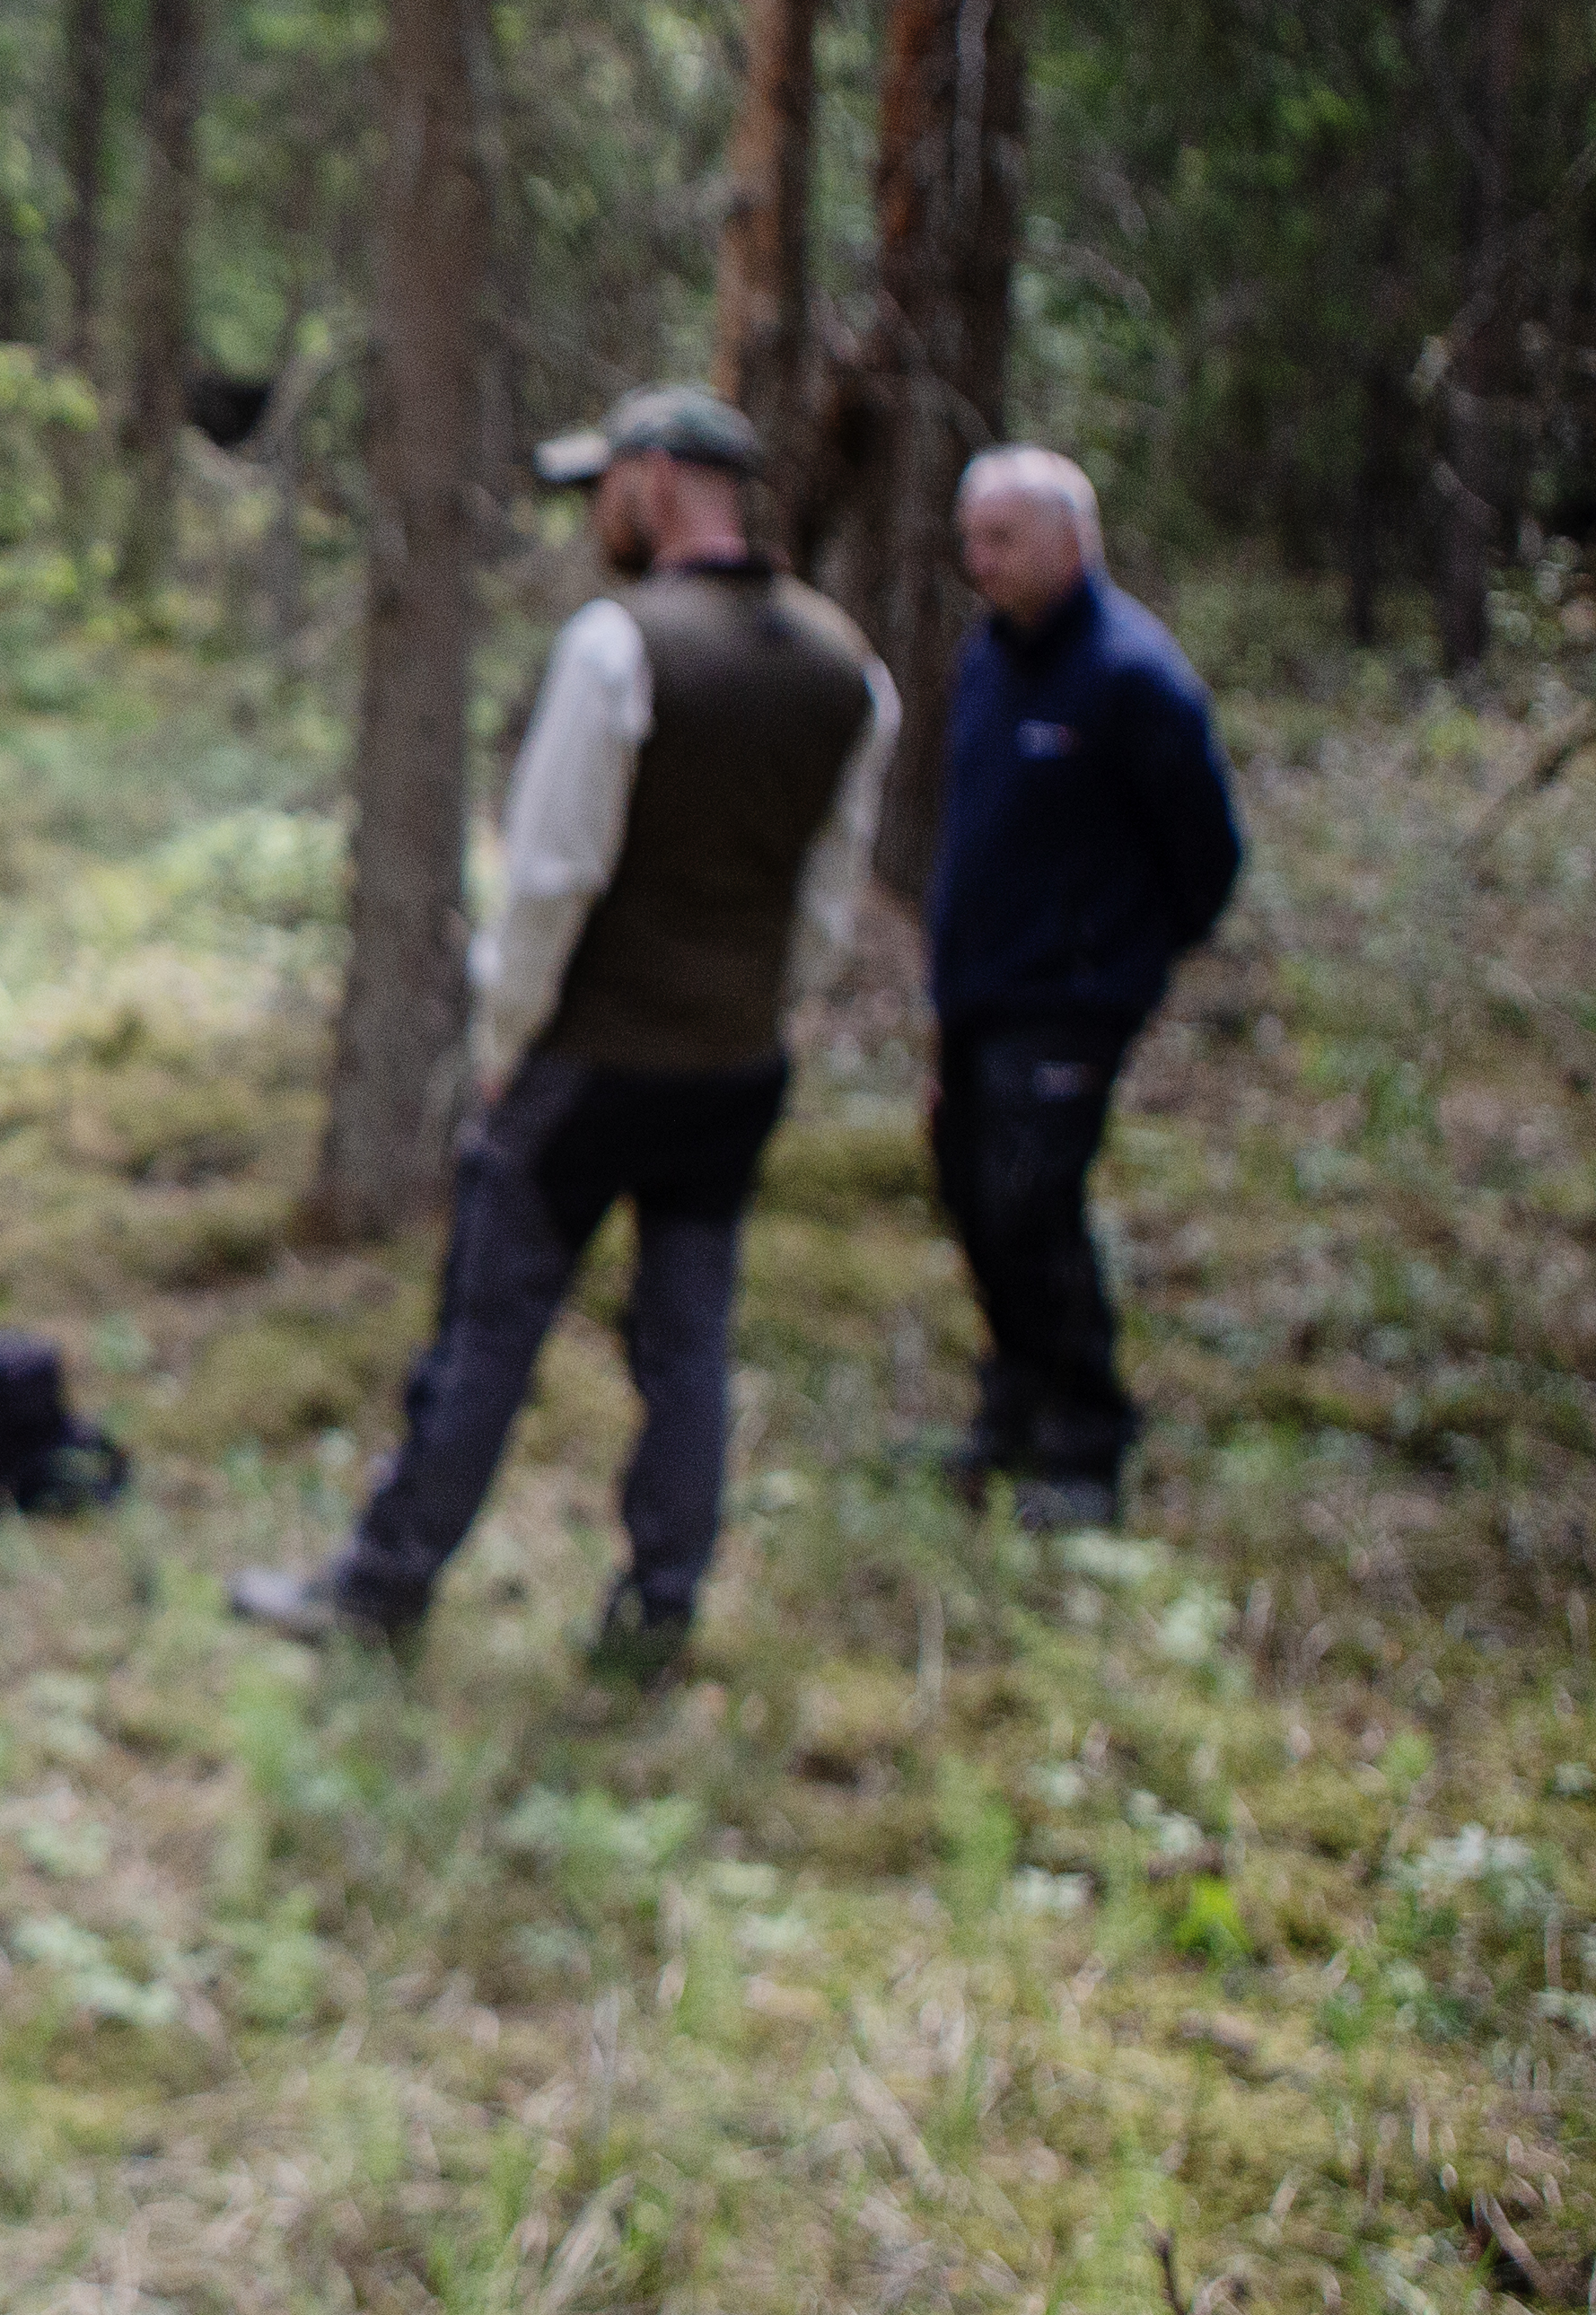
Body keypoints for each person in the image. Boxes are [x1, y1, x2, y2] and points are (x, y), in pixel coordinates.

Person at [235, 385, 896, 1678]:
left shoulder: (619, 648)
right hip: (734, 1066)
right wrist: (765, 1008)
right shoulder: (844, 664)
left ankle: (381, 1589)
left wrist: (506, 1039)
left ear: (653, 480)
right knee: (689, 1334)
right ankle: (661, 1606)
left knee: (489, 1332)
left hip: (588, 1067)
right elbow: (828, 892)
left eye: (606, 484)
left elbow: (551, 879)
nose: (599, 510)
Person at [923, 445, 1245, 1532]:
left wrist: (1118, 962)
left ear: (1072, 540)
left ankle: (1084, 1441)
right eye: (971, 538)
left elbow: (1206, 854)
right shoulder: (990, 656)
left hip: (1070, 997)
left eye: (1002, 539)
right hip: (978, 987)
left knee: (1031, 1200)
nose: (979, 560)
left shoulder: (1131, 676)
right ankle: (1012, 1404)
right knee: (973, 1193)